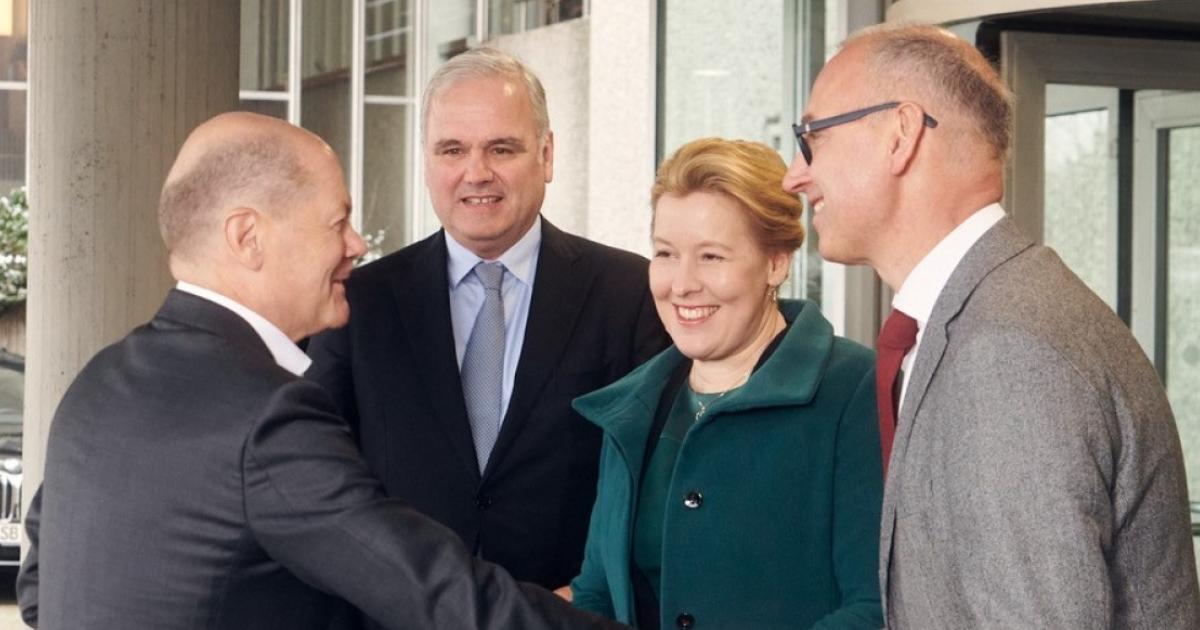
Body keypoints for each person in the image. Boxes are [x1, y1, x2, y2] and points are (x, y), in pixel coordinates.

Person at [15, 111, 625, 630]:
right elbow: (435, 593)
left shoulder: (99, 379)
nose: (357, 245)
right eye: (337, 222)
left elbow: (41, 587)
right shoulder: (266, 417)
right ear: (247, 238)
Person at [782, 23, 1200, 628]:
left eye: (811, 137)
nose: (794, 174)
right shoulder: (992, 317)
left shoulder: (1007, 350)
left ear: (900, 136)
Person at [305, 46, 669, 608]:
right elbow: (322, 484)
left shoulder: (630, 294)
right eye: (453, 149)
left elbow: (656, 488)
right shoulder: (359, 304)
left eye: (502, 148)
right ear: (426, 160)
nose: (477, 173)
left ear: (546, 155)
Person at [569, 137, 883, 629]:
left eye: (712, 257)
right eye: (666, 253)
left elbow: (875, 607)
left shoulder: (855, 391)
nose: (682, 283)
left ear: (776, 262)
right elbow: (596, 592)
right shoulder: (632, 409)